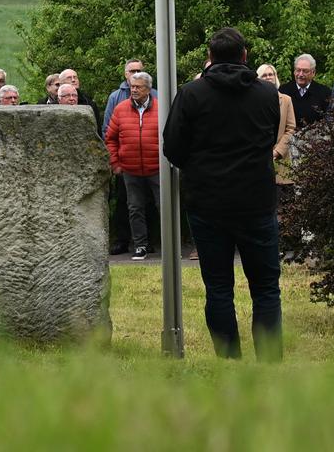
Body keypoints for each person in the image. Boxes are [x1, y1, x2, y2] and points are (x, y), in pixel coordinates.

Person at [162, 26, 283, 361]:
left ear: (209, 57)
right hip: (256, 200)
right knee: (266, 288)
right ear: (245, 56)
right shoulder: (266, 94)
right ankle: (270, 361)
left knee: (218, 287)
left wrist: (199, 167)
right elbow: (269, 136)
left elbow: (172, 146)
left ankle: (229, 359)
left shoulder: (191, 94)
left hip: (207, 202)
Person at [104, 73, 161, 258]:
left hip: (157, 167)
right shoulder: (120, 109)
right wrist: (115, 163)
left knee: (163, 206)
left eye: (138, 87)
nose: (134, 90)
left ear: (148, 89)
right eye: (132, 86)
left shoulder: (162, 108)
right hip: (130, 168)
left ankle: (168, 243)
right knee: (134, 207)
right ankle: (140, 245)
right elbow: (110, 139)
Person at [279, 54, 331, 130]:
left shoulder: (324, 92)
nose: (300, 74)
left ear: (313, 72)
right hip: (288, 138)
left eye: (305, 71)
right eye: (298, 70)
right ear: (294, 71)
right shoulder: (283, 91)